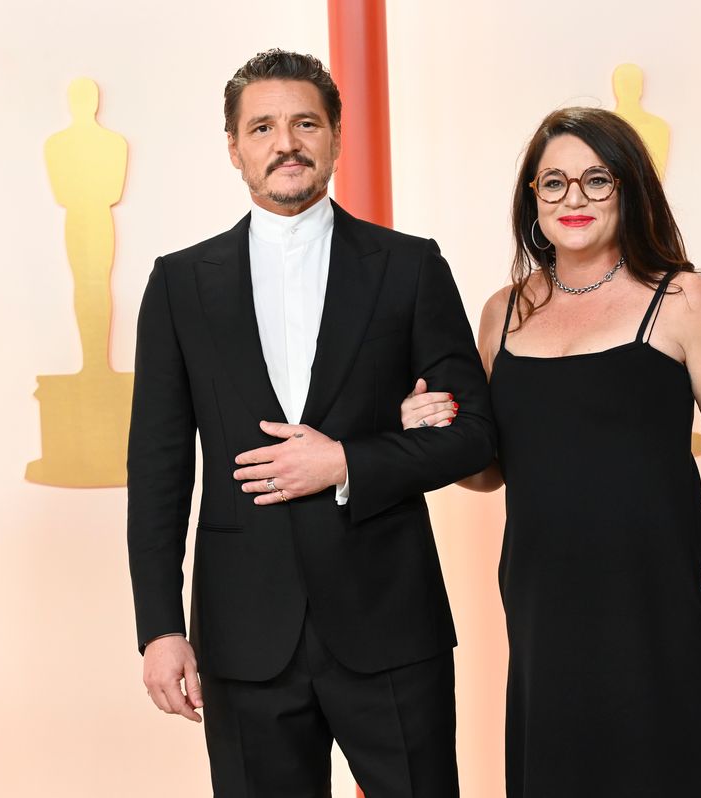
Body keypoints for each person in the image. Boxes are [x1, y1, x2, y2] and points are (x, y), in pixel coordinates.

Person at [127, 49, 494, 797]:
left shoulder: (410, 266)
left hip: (391, 619)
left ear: (334, 137)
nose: (285, 142)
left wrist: (350, 463)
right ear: (234, 148)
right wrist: (161, 628)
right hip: (242, 632)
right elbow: (159, 472)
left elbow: (476, 436)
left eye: (305, 123)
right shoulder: (178, 284)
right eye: (262, 126)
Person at [400, 107, 701, 796]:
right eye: (554, 183)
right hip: (546, 609)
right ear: (532, 201)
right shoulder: (501, 312)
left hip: (663, 603)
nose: (574, 198)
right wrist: (435, 433)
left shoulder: (682, 300)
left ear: (629, 190)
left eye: (596, 181)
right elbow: (488, 470)